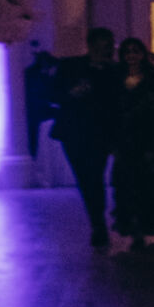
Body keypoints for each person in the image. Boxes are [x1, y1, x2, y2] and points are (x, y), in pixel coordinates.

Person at [52, 26, 120, 251]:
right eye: (102, 47)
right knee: (85, 177)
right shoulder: (70, 66)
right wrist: (73, 93)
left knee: (95, 176)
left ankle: (98, 222)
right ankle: (97, 220)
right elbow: (53, 93)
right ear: (91, 46)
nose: (106, 51)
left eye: (108, 47)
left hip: (101, 133)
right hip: (75, 132)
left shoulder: (114, 71)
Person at [109, 36, 154, 250]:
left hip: (148, 138)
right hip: (125, 139)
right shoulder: (116, 78)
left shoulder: (152, 78)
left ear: (142, 54)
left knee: (153, 184)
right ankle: (135, 228)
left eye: (135, 51)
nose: (131, 55)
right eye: (127, 51)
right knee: (128, 184)